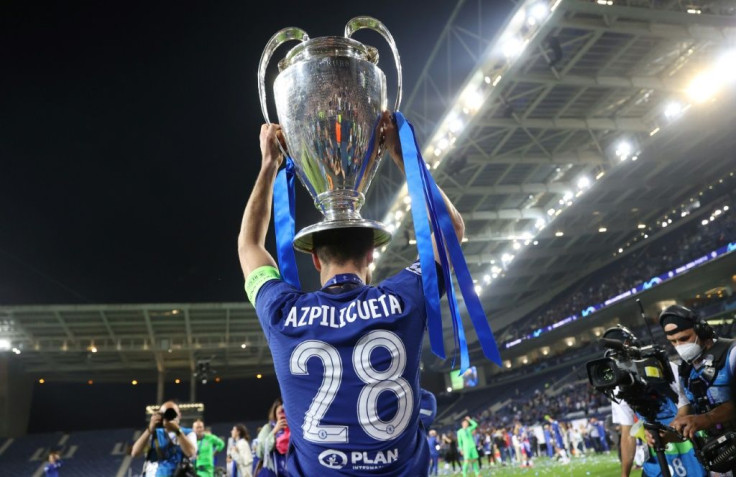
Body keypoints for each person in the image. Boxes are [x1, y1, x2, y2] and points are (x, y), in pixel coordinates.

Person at [238, 111, 465, 476]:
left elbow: (249, 245)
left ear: (314, 259)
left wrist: (269, 164)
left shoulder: (282, 312)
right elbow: (451, 229)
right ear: (371, 254)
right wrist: (400, 152)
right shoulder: (404, 299)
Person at [605, 325, 707, 477]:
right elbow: (627, 434)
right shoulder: (619, 388)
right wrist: (624, 475)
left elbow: (685, 411)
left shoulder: (667, 368)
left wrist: (665, 435)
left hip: (687, 446)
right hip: (656, 456)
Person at [131, 400, 197, 477]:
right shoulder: (154, 433)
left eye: (172, 413)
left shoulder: (188, 433)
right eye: (165, 414)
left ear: (179, 415)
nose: (169, 416)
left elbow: (191, 453)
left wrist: (177, 431)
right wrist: (149, 429)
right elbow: (135, 453)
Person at [254, 398, 288, 476]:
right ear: (275, 414)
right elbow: (260, 452)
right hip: (273, 472)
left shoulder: (294, 429)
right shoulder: (268, 428)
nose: (283, 415)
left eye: (285, 412)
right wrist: (274, 431)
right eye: (280, 413)